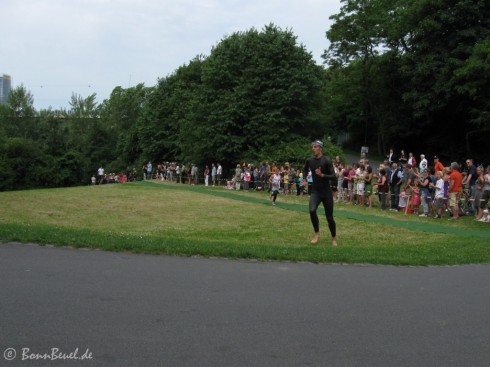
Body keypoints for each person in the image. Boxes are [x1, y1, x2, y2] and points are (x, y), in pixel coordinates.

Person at [303, 140, 337, 246]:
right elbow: (304, 169)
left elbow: (334, 176)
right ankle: (317, 234)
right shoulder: (310, 160)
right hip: (316, 191)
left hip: (326, 192)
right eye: (312, 147)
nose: (313, 148)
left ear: (320, 148)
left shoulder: (326, 160)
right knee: (312, 210)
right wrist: (304, 179)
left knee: (329, 217)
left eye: (315, 147)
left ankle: (334, 238)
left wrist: (323, 175)